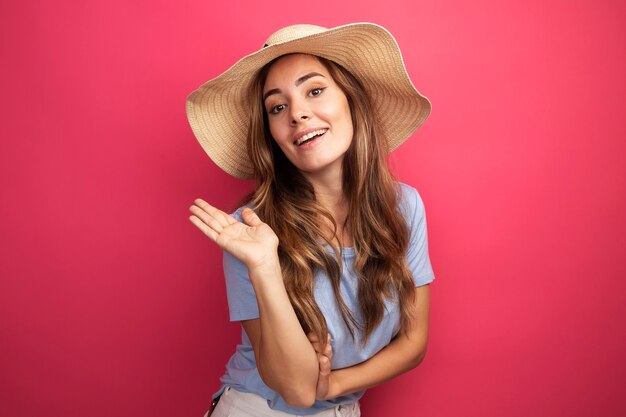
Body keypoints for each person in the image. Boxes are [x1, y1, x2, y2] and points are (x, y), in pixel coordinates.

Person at [186, 23, 434, 417]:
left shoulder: (403, 207)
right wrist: (264, 265)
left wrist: (335, 384)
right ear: (271, 134)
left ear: (351, 100)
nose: (298, 114)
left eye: (314, 91)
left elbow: (413, 343)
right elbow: (298, 390)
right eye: (277, 107)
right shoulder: (249, 232)